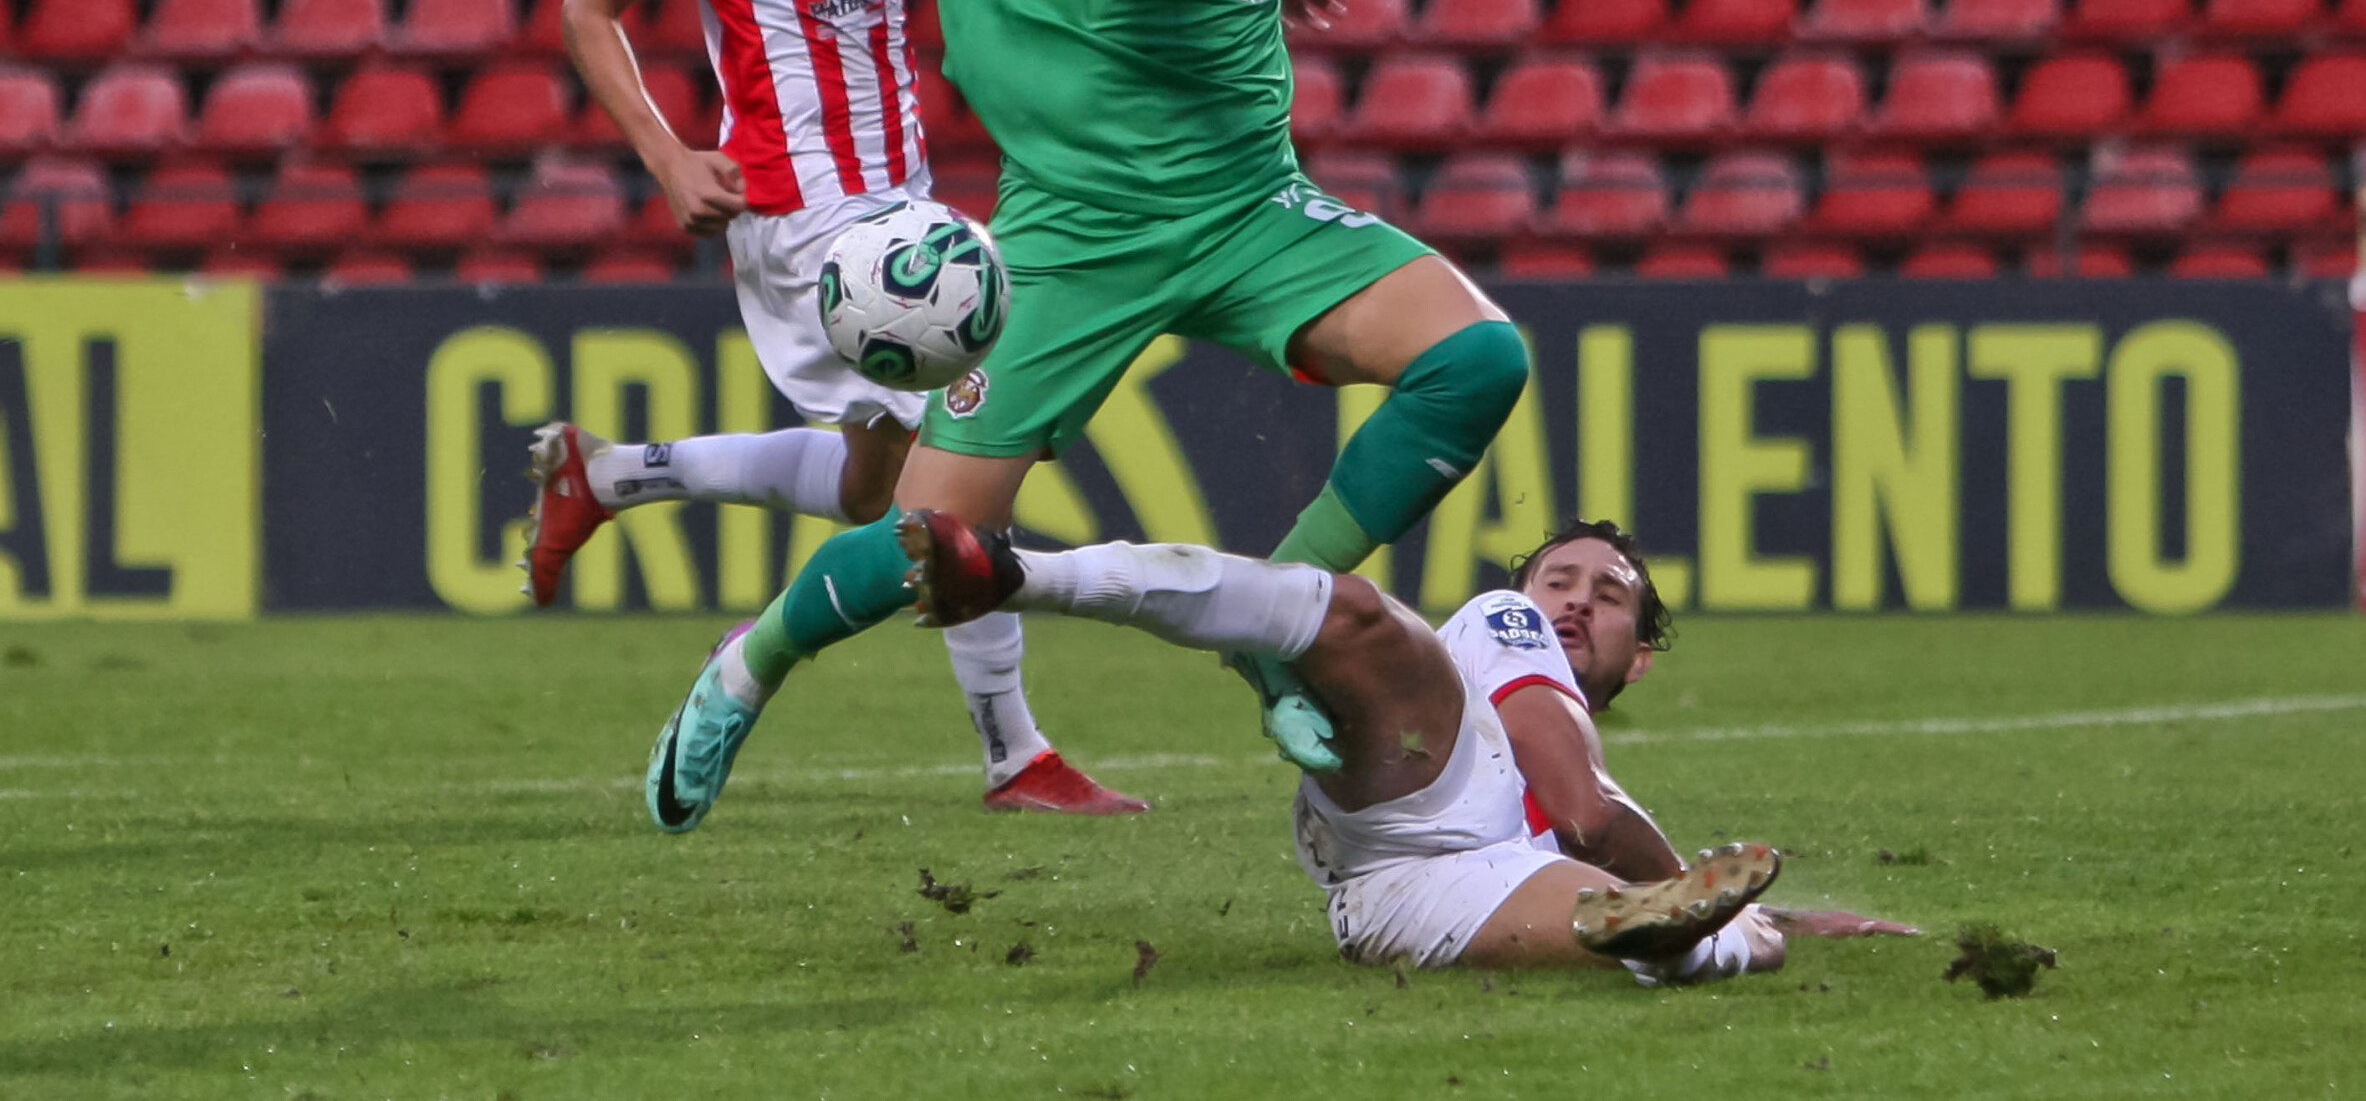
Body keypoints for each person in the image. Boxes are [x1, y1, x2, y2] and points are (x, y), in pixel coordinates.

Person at [642, 0, 1538, 828]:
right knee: (924, 548)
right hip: (1082, 226)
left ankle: (1273, 622)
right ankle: (742, 670)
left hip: (1245, 205)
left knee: (1479, 359)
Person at [526, 0, 1144, 815]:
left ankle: (608, 475)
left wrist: (1005, 9)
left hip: (901, 184)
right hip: (797, 209)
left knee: (875, 484)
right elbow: (588, 8)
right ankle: (1012, 749)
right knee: (957, 450)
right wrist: (665, 156)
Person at [655, 496, 1879, 978]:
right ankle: (1013, 571)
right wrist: (1699, 889)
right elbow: (1588, 807)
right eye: (1562, 574)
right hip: (1423, 795)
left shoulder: (1586, 749)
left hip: (1402, 896)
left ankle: (1689, 941)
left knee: (1619, 928)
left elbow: (1592, 828)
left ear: (1641, 654)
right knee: (1348, 612)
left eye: (1606, 596)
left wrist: (1793, 917)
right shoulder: (1500, 632)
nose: (1571, 599)